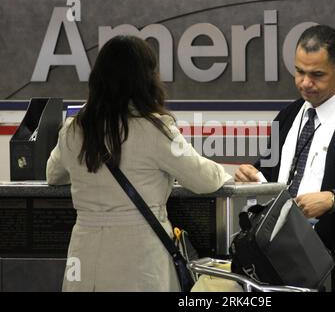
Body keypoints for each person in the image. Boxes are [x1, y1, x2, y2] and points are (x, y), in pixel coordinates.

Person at [46, 35, 232, 291]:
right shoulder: (155, 130)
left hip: (85, 257)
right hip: (140, 260)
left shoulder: (74, 130)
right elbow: (205, 179)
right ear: (146, 79)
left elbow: (53, 174)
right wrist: (229, 174)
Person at [235, 25, 335, 291]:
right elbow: (267, 170)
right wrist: (251, 176)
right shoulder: (287, 116)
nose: (305, 83)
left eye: (317, 75)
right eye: (299, 71)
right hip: (274, 264)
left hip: (334, 275)